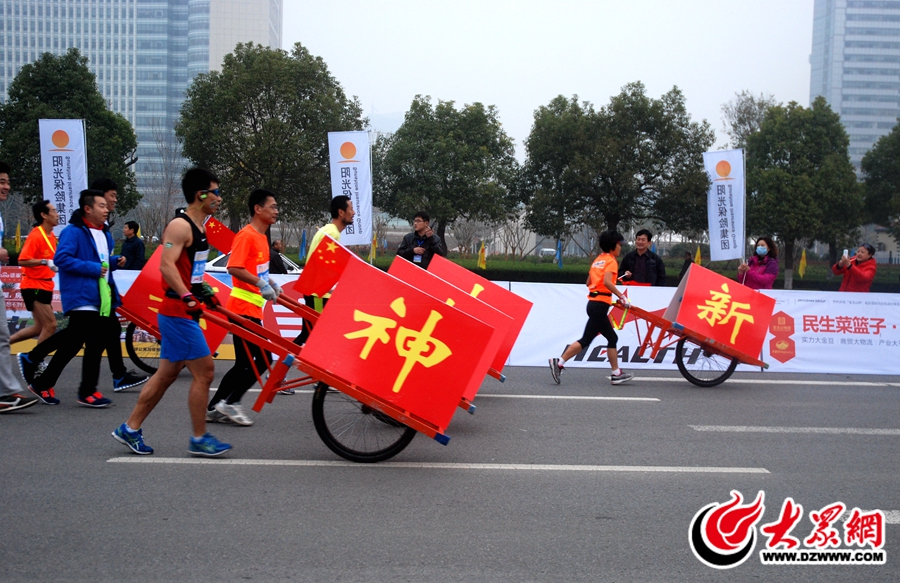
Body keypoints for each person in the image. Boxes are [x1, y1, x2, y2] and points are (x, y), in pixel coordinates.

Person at [111, 168, 231, 457]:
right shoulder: (180, 226)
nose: (218, 196)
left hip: (184, 309)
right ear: (200, 195)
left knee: (165, 375)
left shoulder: (202, 227)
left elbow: (193, 272)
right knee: (205, 372)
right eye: (214, 191)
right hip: (176, 312)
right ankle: (199, 438)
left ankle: (129, 428)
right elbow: (167, 265)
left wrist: (206, 294)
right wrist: (188, 296)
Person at [24, 190, 123, 407]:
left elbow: (102, 263)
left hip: (100, 297)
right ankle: (85, 390)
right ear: (87, 209)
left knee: (75, 342)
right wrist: (94, 268)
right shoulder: (74, 232)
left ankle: (43, 378)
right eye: (101, 206)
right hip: (81, 296)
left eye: (106, 206)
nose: (106, 209)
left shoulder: (104, 234)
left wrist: (115, 261)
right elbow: (62, 258)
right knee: (87, 340)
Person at [206, 189, 282, 425]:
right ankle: (230, 403)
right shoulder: (246, 235)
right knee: (262, 360)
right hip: (242, 309)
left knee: (243, 364)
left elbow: (256, 270)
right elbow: (235, 267)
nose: (276, 211)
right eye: (272, 206)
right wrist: (261, 283)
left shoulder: (261, 237)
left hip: (252, 308)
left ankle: (214, 407)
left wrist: (269, 282)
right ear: (258, 209)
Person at [549, 231, 634, 386]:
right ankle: (559, 362)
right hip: (600, 305)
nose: (620, 248)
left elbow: (589, 282)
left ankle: (616, 373)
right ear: (613, 245)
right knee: (588, 339)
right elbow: (608, 282)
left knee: (610, 338)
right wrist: (621, 296)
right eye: (619, 245)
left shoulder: (597, 260)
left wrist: (601, 288)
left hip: (593, 304)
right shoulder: (611, 261)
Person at [0, 162, 38, 413]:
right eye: (2, 181)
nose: (6, 186)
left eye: (7, 181)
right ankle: (4, 393)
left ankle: (5, 392)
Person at [295, 195, 355, 346]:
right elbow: (327, 267)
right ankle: (282, 362)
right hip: (319, 293)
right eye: (351, 209)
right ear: (341, 212)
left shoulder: (328, 230)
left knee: (308, 334)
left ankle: (282, 362)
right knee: (316, 335)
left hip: (315, 290)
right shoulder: (332, 233)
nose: (353, 213)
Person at [10, 200, 60, 347]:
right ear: (44, 215)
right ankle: (34, 361)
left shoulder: (51, 236)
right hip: (34, 285)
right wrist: (44, 262)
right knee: (51, 325)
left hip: (45, 284)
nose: (57, 215)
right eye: (54, 211)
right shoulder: (36, 235)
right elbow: (22, 260)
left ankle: (4, 344)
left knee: (39, 327)